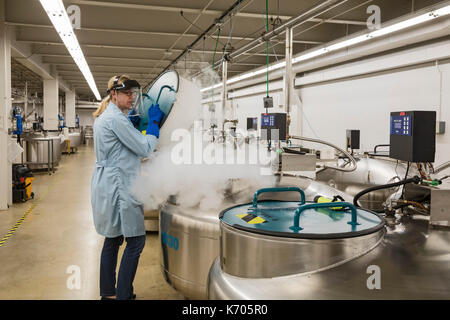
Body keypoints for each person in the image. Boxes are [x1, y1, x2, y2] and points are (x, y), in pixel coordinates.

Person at [91, 75, 164, 300]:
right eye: (127, 93)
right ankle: (123, 295)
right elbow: (144, 149)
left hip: (107, 182)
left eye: (134, 93)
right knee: (136, 241)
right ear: (114, 94)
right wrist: (153, 126)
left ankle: (107, 293)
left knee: (112, 240)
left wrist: (131, 127)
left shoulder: (107, 116)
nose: (132, 97)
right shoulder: (116, 120)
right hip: (120, 185)